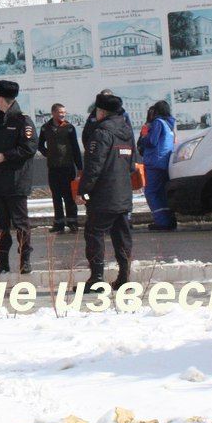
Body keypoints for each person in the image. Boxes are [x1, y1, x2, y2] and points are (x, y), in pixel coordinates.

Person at [79, 91, 135, 292]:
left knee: (94, 233)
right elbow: (131, 165)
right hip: (123, 194)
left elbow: (94, 165)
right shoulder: (127, 131)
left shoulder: (102, 132)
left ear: (101, 111)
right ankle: (124, 277)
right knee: (122, 235)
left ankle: (96, 279)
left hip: (104, 196)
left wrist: (83, 190)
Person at [0, 79, 37, 274]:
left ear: (1, 98)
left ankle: (24, 260)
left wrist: (4, 156)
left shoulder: (23, 121)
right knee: (1, 225)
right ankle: (2, 261)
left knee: (21, 224)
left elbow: (29, 148)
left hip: (16, 182)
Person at [39, 103, 81, 233]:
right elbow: (40, 145)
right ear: (53, 113)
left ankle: (72, 222)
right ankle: (59, 223)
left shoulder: (69, 128)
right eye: (60, 112)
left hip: (67, 167)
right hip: (53, 168)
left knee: (69, 196)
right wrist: (48, 154)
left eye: (64, 112)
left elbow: (75, 148)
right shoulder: (45, 128)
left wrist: (80, 167)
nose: (62, 114)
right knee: (56, 197)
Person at [141, 100, 177, 231]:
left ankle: (161, 221)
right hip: (165, 162)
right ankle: (169, 219)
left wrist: (145, 135)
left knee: (151, 192)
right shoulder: (169, 124)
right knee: (162, 193)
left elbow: (151, 141)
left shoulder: (157, 123)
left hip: (155, 162)